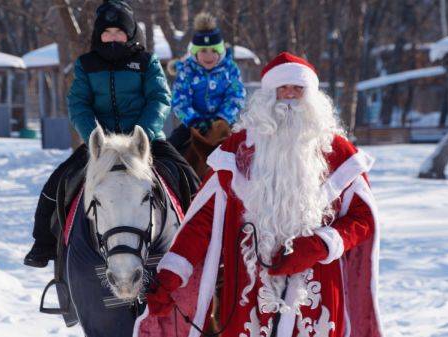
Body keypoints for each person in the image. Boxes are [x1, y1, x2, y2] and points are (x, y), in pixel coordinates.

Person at [144, 52, 383, 337]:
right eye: (283, 88)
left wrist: (322, 244)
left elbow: (363, 219)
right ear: (268, 95)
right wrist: (172, 273)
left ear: (313, 96)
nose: (291, 96)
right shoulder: (236, 152)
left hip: (317, 290)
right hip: (249, 289)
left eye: (298, 89)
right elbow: (203, 220)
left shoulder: (339, 153)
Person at [24, 0, 199, 268]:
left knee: (189, 178)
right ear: (99, 35)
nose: (113, 37)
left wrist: (144, 134)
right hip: (102, 145)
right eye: (107, 32)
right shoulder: (86, 64)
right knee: (57, 183)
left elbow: (159, 98)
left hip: (145, 143)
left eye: (119, 32)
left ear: (129, 34)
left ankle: (202, 240)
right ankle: (43, 244)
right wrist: (94, 137)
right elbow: (78, 103)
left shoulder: (146, 62)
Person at [167, 12, 245, 154]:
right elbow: (180, 99)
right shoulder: (187, 70)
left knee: (244, 148)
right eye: (203, 51)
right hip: (193, 125)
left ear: (220, 52)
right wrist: (193, 120)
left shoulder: (230, 69)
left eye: (213, 51)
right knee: (168, 149)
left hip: (224, 123)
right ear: (195, 53)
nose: (209, 56)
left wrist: (222, 118)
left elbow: (236, 95)